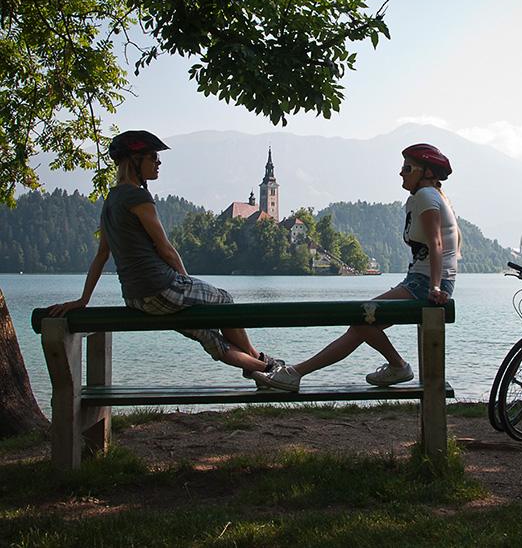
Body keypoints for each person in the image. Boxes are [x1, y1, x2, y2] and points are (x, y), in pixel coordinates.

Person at [48, 130, 279, 388]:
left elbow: (102, 255)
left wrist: (84, 299)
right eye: (152, 158)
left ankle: (262, 371)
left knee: (207, 334)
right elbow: (165, 248)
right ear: (135, 161)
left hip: (136, 298)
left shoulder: (111, 200)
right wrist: (187, 283)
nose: (158, 163)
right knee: (224, 301)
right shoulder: (138, 196)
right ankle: (263, 361)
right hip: (161, 288)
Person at [261, 143, 459, 392]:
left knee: (361, 320)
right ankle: (295, 374)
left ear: (427, 173)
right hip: (419, 281)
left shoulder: (425, 196)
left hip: (424, 284)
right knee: (361, 325)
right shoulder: (428, 197)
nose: (401, 173)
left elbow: (436, 243)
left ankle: (396, 366)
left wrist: (436, 286)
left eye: (408, 168)